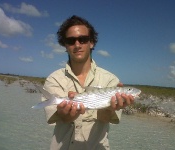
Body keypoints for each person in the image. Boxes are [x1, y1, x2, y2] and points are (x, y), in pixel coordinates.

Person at [42, 15, 134, 150]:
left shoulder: (110, 80)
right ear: (65, 45)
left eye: (83, 39)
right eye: (71, 41)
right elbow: (64, 119)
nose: (77, 45)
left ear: (92, 43)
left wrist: (109, 108)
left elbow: (104, 119)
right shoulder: (54, 79)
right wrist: (65, 113)